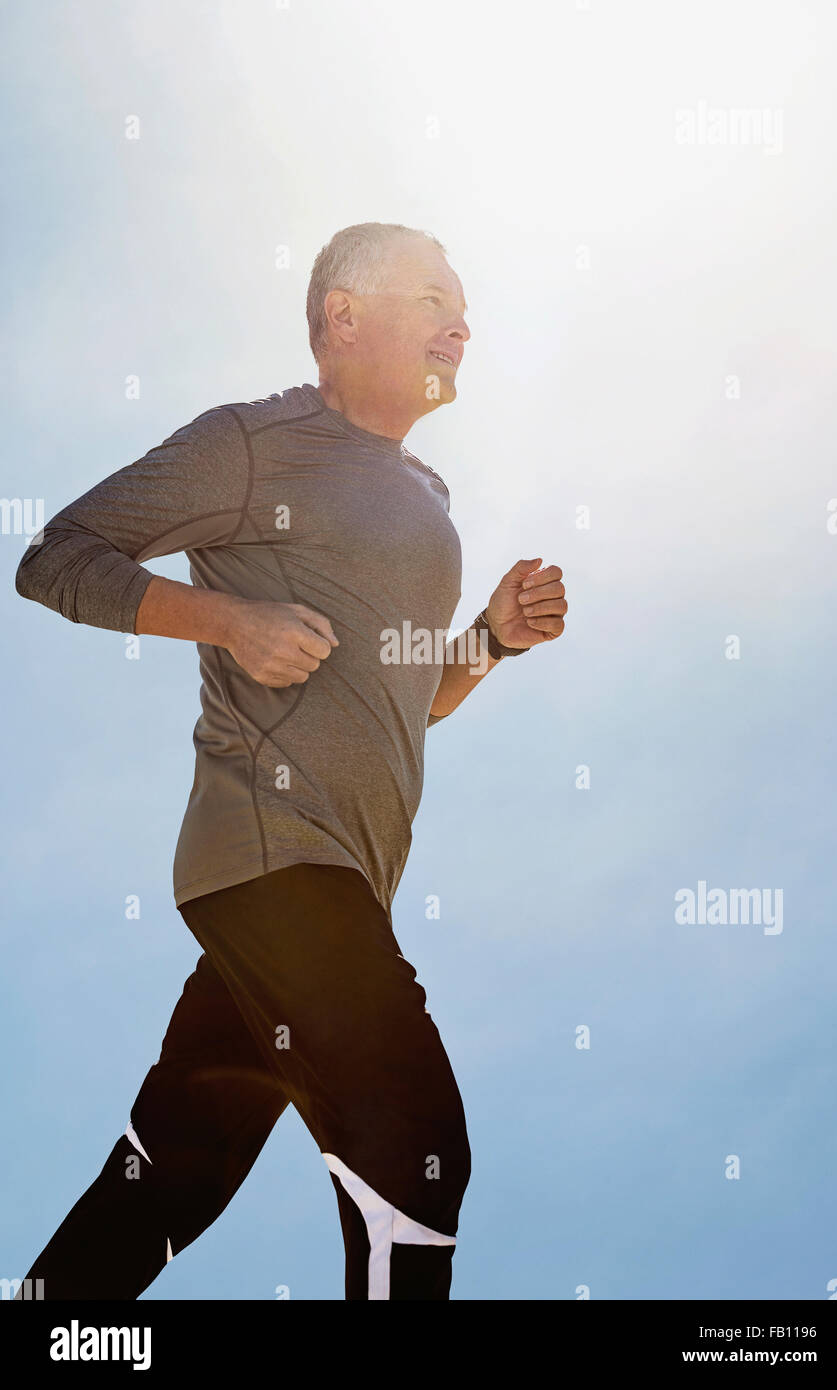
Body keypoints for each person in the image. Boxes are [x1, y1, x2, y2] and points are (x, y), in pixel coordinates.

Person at [13, 221, 567, 1300]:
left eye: (464, 303)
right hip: (274, 858)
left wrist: (492, 640)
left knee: (172, 1177)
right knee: (412, 1141)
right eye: (430, 297)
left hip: (341, 878)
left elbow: (405, 700)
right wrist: (226, 619)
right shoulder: (252, 443)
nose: (462, 320)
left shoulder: (427, 493)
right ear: (343, 318)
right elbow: (57, 558)